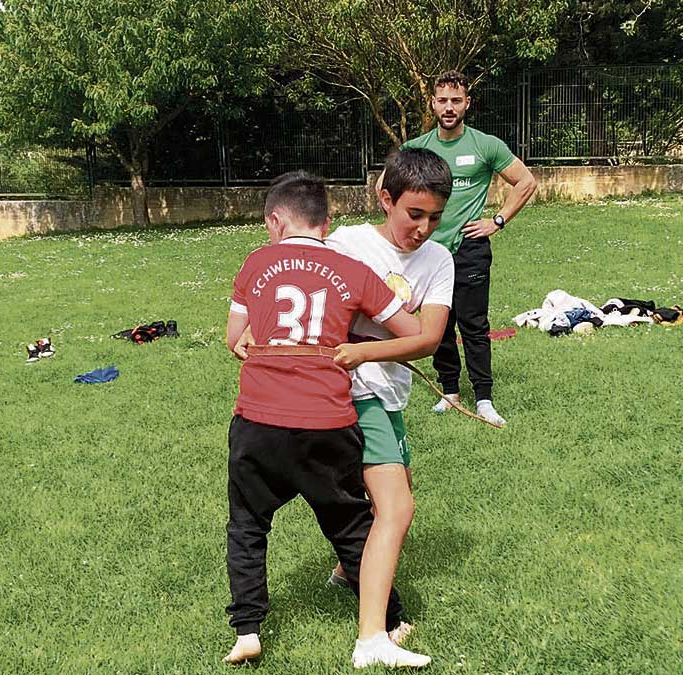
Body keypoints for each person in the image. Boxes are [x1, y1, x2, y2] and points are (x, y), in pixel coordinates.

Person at [223, 171, 432, 668]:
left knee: (247, 524)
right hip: (328, 418)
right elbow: (413, 332)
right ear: (327, 221)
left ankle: (248, 629)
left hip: (258, 419)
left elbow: (237, 341)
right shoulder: (352, 268)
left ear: (274, 221)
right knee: (351, 524)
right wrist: (358, 346)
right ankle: (391, 620)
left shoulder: (255, 263)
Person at [324, 148, 455, 667]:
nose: (423, 228)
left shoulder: (438, 260)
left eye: (435, 218)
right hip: (346, 395)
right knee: (397, 507)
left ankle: (344, 570)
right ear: (386, 199)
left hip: (387, 392)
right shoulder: (346, 243)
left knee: (383, 500)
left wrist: (364, 349)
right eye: (414, 214)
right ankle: (371, 640)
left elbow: (429, 339)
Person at [402, 69, 538, 427]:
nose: (449, 107)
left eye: (456, 101)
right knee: (439, 326)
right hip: (427, 253)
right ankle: (450, 391)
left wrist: (497, 221)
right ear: (432, 103)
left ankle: (484, 398)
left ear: (467, 104)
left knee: (474, 326)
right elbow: (388, 189)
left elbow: (525, 181)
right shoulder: (416, 149)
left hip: (470, 249)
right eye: (442, 100)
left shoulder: (485, 145)